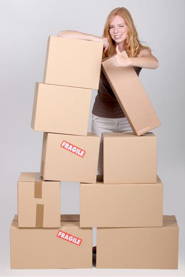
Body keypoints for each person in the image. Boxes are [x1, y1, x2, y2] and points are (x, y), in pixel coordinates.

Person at [58, 7, 159, 176]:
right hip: (102, 119)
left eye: (121, 26)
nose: (116, 31)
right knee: (101, 171)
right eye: (112, 27)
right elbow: (62, 35)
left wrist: (128, 61)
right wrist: (96, 39)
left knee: (126, 169)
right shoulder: (103, 49)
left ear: (129, 27)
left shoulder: (139, 51)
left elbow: (154, 63)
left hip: (129, 119)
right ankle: (103, 201)